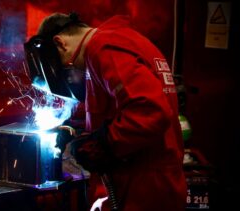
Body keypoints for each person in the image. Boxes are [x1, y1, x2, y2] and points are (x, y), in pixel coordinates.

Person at [33, 12, 187, 211]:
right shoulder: (121, 41)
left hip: (142, 190)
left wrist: (102, 145)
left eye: (63, 68)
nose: (69, 74)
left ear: (61, 43)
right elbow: (115, 109)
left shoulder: (103, 48)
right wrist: (77, 129)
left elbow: (151, 112)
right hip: (147, 184)